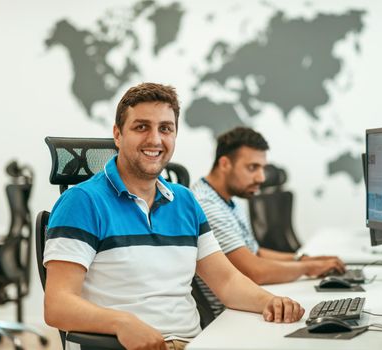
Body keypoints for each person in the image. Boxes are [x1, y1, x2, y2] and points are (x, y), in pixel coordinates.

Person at [43, 83, 305, 350]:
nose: (155, 139)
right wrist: (120, 322)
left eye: (165, 128)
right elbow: (57, 305)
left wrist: (270, 302)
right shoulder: (82, 202)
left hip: (194, 343)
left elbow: (226, 281)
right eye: (141, 127)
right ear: (118, 134)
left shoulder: (184, 200)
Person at [191, 127, 346, 316]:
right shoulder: (206, 205)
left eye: (262, 168)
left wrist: (304, 259)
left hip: (245, 307)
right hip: (230, 315)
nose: (261, 177)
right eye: (252, 167)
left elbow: (255, 252)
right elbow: (255, 271)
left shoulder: (228, 200)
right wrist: (309, 267)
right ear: (225, 164)